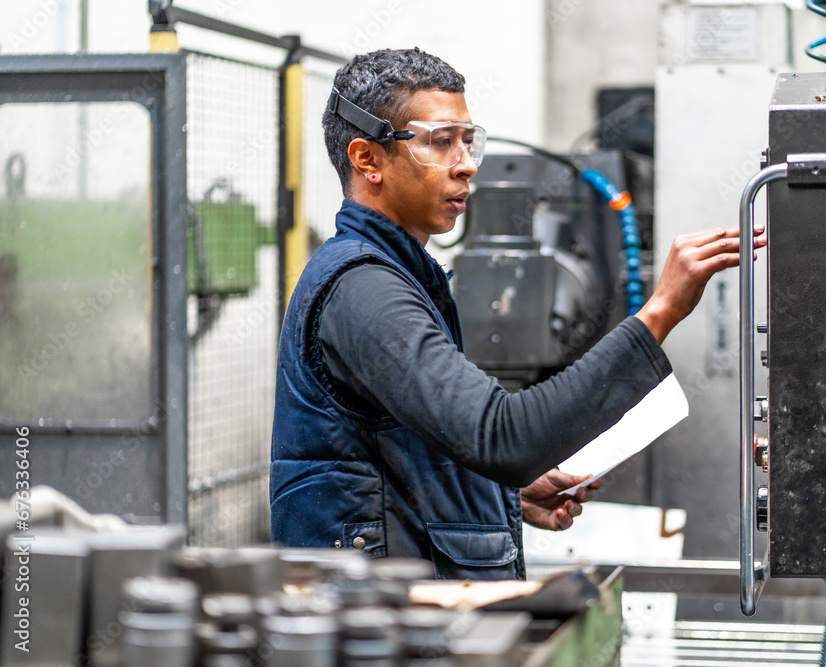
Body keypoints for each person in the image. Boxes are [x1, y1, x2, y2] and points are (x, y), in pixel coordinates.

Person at [269, 47, 765, 580]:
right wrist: (661, 312)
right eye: (440, 143)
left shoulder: (402, 274)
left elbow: (410, 451)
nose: (466, 164)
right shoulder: (364, 290)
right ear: (367, 159)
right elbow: (503, 436)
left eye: (467, 141)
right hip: (377, 627)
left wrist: (502, 492)